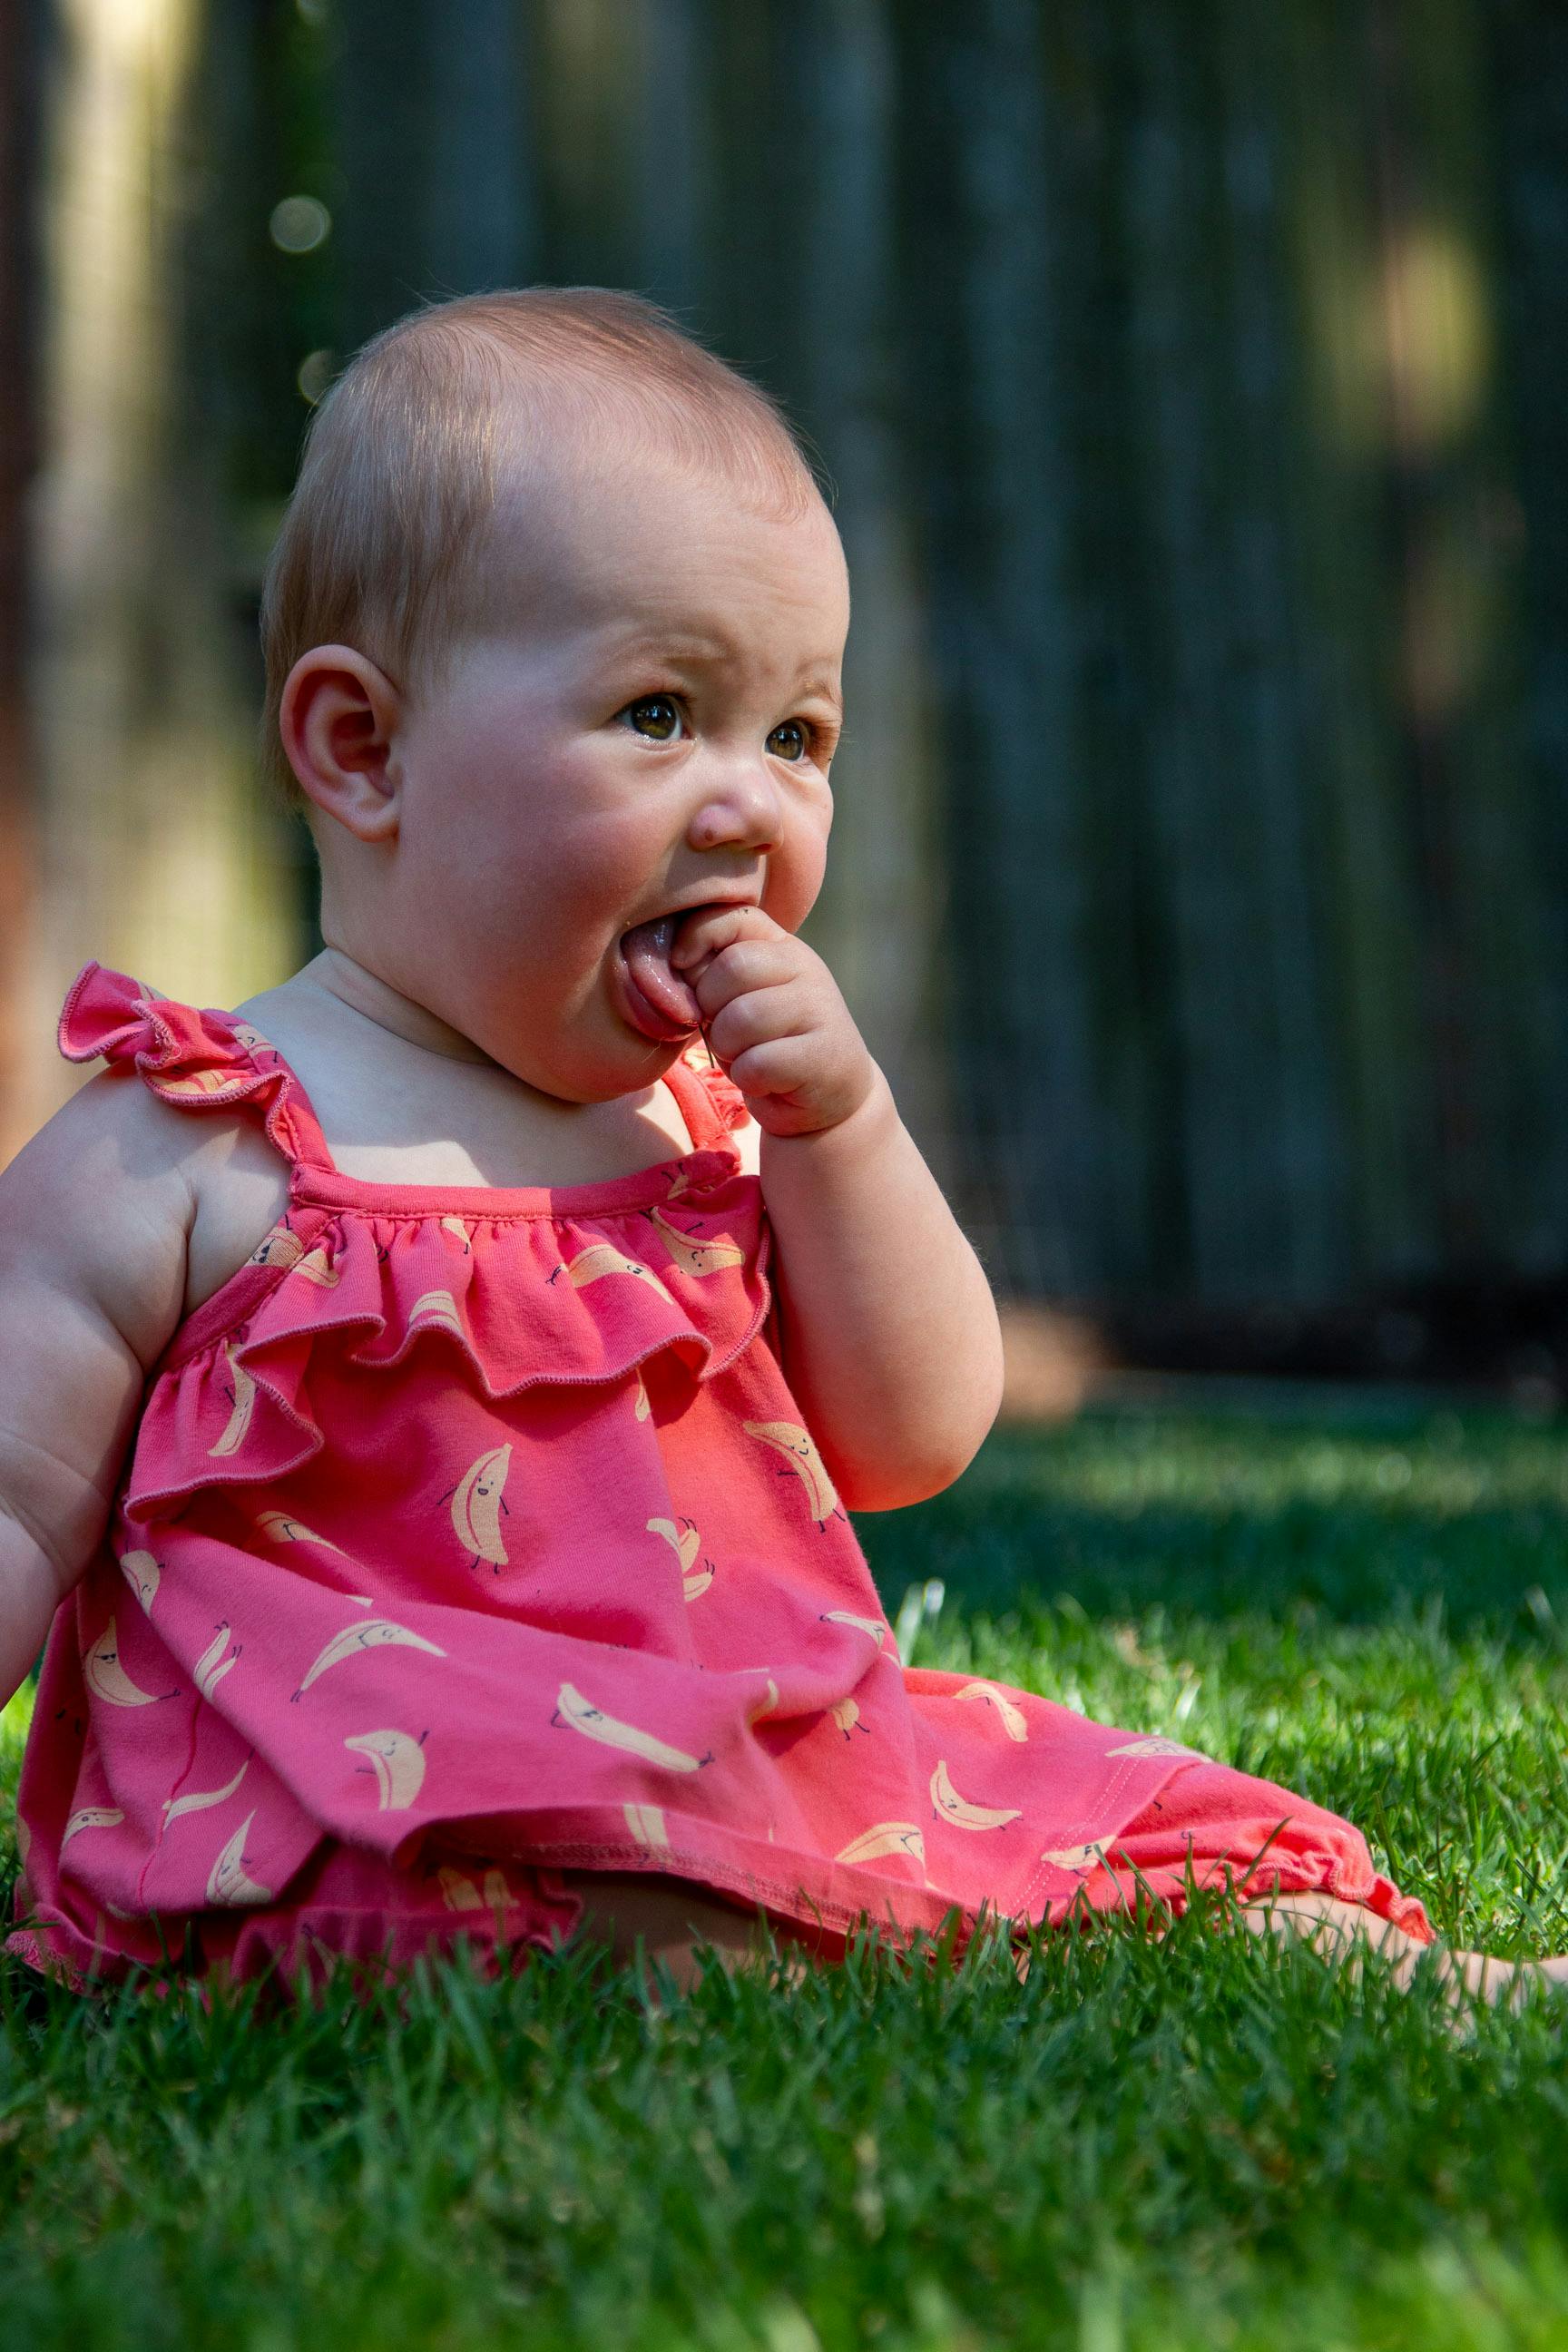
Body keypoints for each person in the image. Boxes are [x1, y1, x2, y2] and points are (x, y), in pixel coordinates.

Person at [0, 289, 1553, 2008]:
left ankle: (1391, 1969)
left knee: (1111, 1837)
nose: (751, 802)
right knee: (613, 1884)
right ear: (364, 749)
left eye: (798, 734)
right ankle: (774, 1943)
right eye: (661, 714)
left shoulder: (712, 1133)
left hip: (745, 1753)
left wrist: (847, 1126)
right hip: (363, 1809)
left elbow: (912, 1435)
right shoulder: (187, 1154)